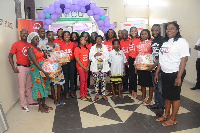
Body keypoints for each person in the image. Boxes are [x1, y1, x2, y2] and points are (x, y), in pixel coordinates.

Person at [154, 22, 189, 126]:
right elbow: (161, 59)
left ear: (177, 30)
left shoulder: (181, 42)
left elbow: (184, 60)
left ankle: (173, 118)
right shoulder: (165, 42)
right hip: (165, 72)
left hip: (175, 72)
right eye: (168, 29)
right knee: (166, 95)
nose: (169, 30)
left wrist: (179, 76)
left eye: (172, 28)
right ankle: (166, 115)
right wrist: (157, 72)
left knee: (174, 96)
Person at [8, 29, 37, 112]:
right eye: (22, 33)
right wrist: (13, 67)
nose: (24, 34)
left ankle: (31, 101)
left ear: (28, 34)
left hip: (30, 67)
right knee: (22, 88)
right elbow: (10, 56)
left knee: (29, 86)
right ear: (20, 34)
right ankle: (23, 105)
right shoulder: (16, 44)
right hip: (21, 68)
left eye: (26, 33)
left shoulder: (30, 44)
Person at [27, 32, 52, 113]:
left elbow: (44, 58)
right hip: (37, 71)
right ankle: (40, 106)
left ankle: (44, 104)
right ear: (31, 40)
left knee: (44, 86)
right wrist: (44, 72)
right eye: (36, 39)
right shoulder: (30, 49)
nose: (38, 40)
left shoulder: (39, 49)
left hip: (43, 70)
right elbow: (35, 62)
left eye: (38, 38)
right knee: (38, 87)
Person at [41, 31, 65, 106]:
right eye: (49, 35)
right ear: (47, 36)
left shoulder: (57, 45)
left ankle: (59, 99)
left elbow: (60, 55)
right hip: (50, 68)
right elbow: (43, 57)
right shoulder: (44, 47)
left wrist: (61, 61)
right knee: (52, 84)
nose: (51, 36)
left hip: (58, 67)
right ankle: (54, 99)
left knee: (59, 83)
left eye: (52, 35)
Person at [147, 24, 165, 116]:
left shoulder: (163, 40)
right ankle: (157, 104)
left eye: (156, 30)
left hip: (161, 68)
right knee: (156, 87)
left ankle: (162, 107)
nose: (154, 32)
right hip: (153, 68)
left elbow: (162, 56)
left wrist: (153, 65)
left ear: (160, 30)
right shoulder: (153, 41)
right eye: (153, 31)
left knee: (161, 88)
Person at [135, 29, 154, 105]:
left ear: (148, 35)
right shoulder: (139, 44)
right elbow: (137, 55)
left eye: (145, 34)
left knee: (150, 83)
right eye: (142, 34)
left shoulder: (151, 43)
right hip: (141, 66)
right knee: (142, 82)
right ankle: (143, 97)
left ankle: (150, 98)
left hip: (149, 65)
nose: (143, 35)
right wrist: (136, 66)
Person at [89, 35, 110, 101]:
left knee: (103, 81)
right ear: (95, 40)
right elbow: (90, 57)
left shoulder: (105, 47)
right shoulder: (92, 48)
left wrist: (103, 60)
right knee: (96, 81)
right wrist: (95, 55)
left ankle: (103, 94)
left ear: (102, 40)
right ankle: (97, 94)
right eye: (97, 39)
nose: (98, 40)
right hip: (95, 67)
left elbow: (107, 56)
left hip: (103, 66)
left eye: (100, 39)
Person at [60, 31, 76, 98]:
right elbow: (59, 54)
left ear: (70, 36)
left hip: (72, 62)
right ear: (63, 36)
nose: (67, 37)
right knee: (65, 77)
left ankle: (71, 91)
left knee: (72, 77)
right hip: (64, 63)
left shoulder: (72, 44)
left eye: (68, 35)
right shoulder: (60, 44)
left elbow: (75, 53)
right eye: (65, 35)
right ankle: (66, 92)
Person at [74, 36, 91, 101]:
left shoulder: (87, 49)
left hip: (86, 67)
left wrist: (87, 67)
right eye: (81, 40)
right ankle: (82, 95)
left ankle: (86, 94)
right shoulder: (77, 49)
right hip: (81, 67)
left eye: (84, 40)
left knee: (86, 80)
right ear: (79, 41)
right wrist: (84, 67)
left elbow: (89, 59)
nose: (83, 41)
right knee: (82, 81)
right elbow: (78, 60)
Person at [128, 27, 141, 98]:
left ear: (137, 32)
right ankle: (132, 90)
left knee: (135, 75)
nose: (133, 32)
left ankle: (135, 91)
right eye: (132, 31)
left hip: (137, 59)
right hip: (130, 59)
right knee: (131, 75)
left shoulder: (139, 39)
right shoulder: (129, 39)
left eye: (135, 31)